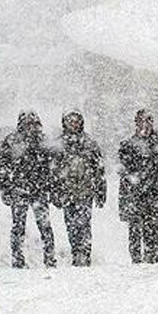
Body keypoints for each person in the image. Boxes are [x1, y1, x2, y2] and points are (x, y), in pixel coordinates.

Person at [118, 109, 158, 264]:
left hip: (156, 190)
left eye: (148, 121)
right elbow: (123, 167)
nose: (144, 126)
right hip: (135, 191)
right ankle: (137, 257)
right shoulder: (128, 145)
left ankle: (155, 255)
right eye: (141, 122)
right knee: (134, 225)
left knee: (155, 224)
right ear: (136, 124)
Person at [0, 111, 56, 269]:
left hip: (39, 190)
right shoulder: (11, 141)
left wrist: (51, 186)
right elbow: (2, 167)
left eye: (34, 123)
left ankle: (50, 258)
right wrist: (5, 189)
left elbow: (53, 167)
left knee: (45, 226)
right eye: (28, 123)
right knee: (18, 226)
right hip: (19, 190)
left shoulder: (43, 141)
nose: (31, 126)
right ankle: (17, 259)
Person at [52, 111, 106, 266]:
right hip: (66, 192)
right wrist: (55, 191)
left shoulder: (89, 143)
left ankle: (85, 254)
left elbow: (99, 169)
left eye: (76, 121)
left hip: (85, 192)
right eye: (70, 121)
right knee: (71, 225)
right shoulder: (59, 144)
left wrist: (101, 191)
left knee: (84, 224)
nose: (73, 124)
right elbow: (53, 171)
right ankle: (76, 252)